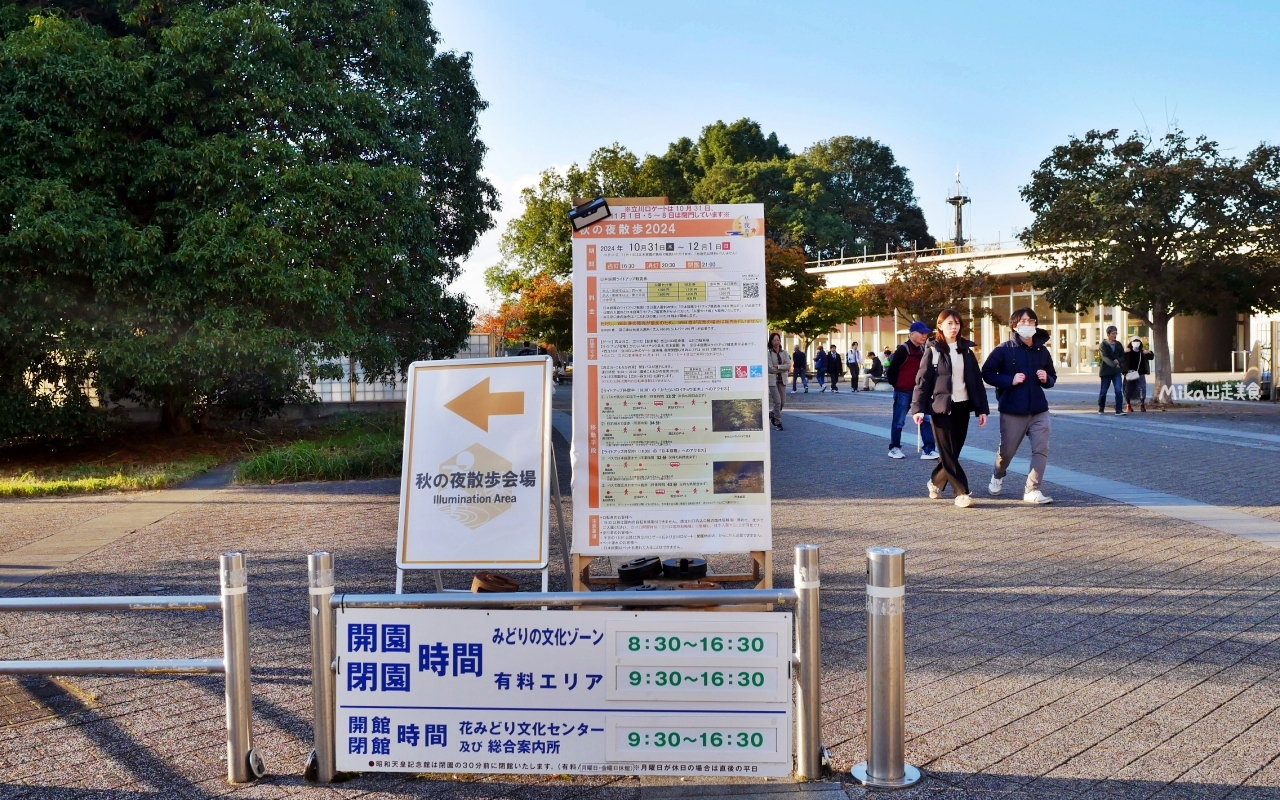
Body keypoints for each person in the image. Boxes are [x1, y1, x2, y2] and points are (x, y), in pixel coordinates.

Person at [911, 309, 989, 508]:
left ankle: (935, 481)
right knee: (946, 451)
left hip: (963, 406)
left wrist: (982, 409)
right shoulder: (933, 351)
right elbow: (922, 382)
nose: (954, 328)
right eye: (949, 324)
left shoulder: (967, 351)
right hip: (941, 408)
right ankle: (961, 492)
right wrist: (918, 409)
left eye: (957, 323)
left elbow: (976, 383)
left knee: (954, 451)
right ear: (940, 326)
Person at [981, 307, 1056, 504]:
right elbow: (987, 372)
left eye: (1031, 321)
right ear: (1014, 326)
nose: (1028, 324)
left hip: (1039, 409)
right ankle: (998, 474)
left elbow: (1052, 376)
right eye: (1023, 321)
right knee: (1006, 452)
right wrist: (1010, 380)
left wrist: (1046, 378)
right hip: (1013, 409)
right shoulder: (1004, 349)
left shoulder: (1041, 350)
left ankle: (1032, 490)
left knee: (1041, 449)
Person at [886, 322, 938, 460]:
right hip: (903, 391)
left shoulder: (924, 349)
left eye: (926, 333)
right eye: (921, 333)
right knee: (899, 421)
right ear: (912, 334)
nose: (924, 336)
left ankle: (928, 450)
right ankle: (894, 448)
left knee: (926, 419)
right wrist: (897, 385)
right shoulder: (903, 349)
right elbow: (891, 370)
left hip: (919, 392)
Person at [1098, 326, 1126, 415]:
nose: (1115, 335)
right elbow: (1104, 357)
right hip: (1106, 372)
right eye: (1113, 333)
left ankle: (1119, 410)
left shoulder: (1118, 344)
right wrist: (1114, 364)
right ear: (1108, 334)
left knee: (1118, 390)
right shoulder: (1103, 345)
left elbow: (1123, 355)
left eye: (1116, 333)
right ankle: (1101, 408)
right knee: (1103, 391)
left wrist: (1118, 360)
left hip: (1116, 372)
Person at [1124, 337, 1153, 412]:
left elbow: (1151, 357)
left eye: (1138, 341)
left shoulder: (1142, 352)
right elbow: (1121, 359)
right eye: (1134, 341)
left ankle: (1142, 404)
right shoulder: (1128, 352)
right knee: (1128, 390)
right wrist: (1123, 352)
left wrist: (1149, 352)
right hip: (1129, 374)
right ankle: (1128, 405)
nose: (1136, 343)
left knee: (1142, 389)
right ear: (1131, 343)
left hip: (1140, 373)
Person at [767, 332, 788, 430]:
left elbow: (788, 366)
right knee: (778, 402)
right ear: (771, 341)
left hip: (782, 379)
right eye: (774, 340)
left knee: (783, 402)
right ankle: (778, 422)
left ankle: (772, 413)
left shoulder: (784, 353)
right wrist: (783, 368)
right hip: (772, 381)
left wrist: (779, 366)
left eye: (778, 340)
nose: (776, 342)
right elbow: (770, 368)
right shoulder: (769, 353)